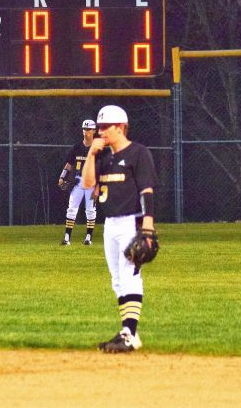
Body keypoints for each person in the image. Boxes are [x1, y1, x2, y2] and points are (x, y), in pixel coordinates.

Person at [81, 105, 157, 353]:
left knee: (129, 275)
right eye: (99, 127)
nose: (100, 132)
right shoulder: (102, 157)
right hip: (111, 224)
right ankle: (128, 332)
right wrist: (91, 154)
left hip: (131, 222)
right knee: (117, 280)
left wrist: (147, 226)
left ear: (121, 127)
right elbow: (87, 184)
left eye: (106, 127)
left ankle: (129, 333)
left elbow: (147, 190)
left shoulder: (138, 153)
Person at [57, 119, 98, 246]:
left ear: (94, 131)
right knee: (71, 209)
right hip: (78, 182)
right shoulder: (77, 147)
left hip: (92, 183)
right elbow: (69, 164)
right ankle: (67, 238)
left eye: (88, 129)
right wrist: (62, 176)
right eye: (84, 129)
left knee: (90, 210)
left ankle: (88, 238)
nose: (86, 131)